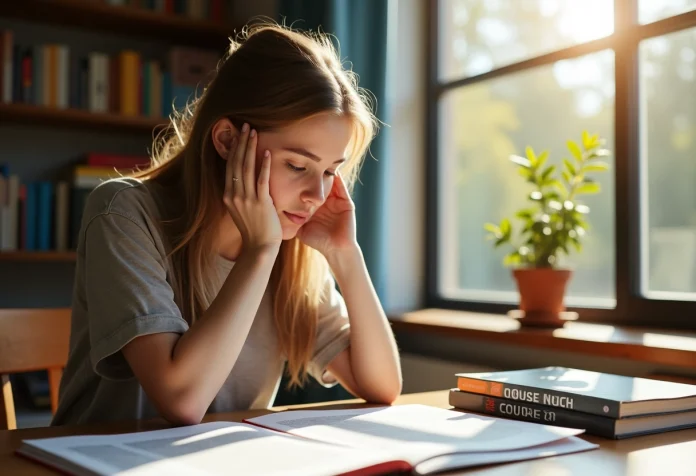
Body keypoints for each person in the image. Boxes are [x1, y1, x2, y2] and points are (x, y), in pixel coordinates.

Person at [51, 22, 402, 426]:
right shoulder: (122, 212)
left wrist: (346, 255)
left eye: (328, 172)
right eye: (297, 165)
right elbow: (182, 401)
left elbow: (381, 385)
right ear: (227, 141)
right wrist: (260, 250)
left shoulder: (291, 246)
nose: (317, 196)